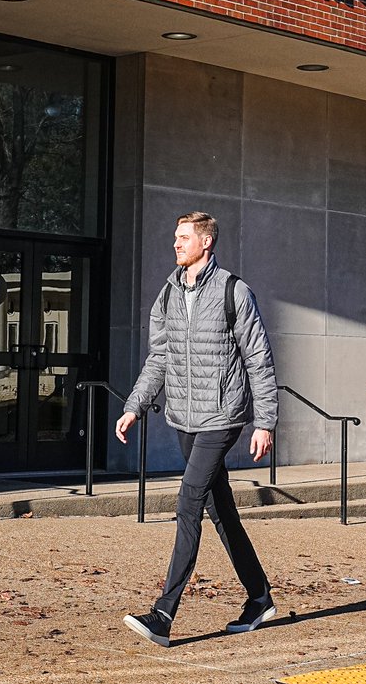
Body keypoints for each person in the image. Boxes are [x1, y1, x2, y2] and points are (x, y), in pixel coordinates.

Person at [117, 211, 278, 647]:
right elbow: (159, 358)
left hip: (222, 416)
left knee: (189, 502)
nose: (176, 244)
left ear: (206, 243)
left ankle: (163, 613)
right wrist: (135, 405)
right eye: (175, 237)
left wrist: (264, 421)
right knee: (219, 508)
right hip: (184, 417)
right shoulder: (168, 294)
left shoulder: (233, 291)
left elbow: (258, 359)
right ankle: (259, 598)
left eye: (184, 238)